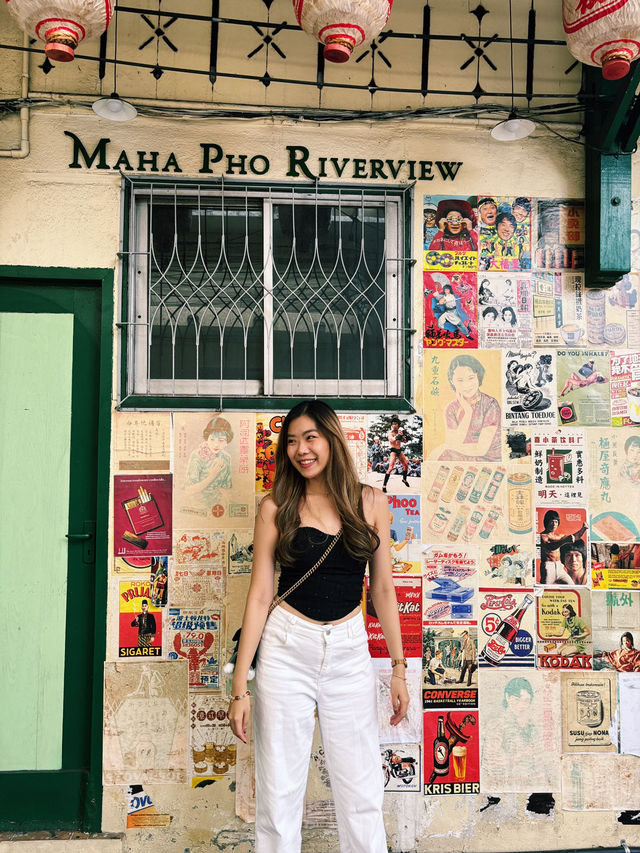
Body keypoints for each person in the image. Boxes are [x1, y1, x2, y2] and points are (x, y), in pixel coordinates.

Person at [227, 400, 409, 853]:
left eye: (310, 438)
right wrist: (239, 688)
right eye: (291, 441)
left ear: (331, 440)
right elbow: (260, 595)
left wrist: (399, 669)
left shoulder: (372, 501)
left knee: (361, 789)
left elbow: (383, 589)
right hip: (286, 648)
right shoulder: (277, 507)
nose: (301, 450)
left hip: (349, 651)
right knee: (278, 792)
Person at [429, 354, 501, 462]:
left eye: (471, 378)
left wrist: (445, 447)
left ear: (478, 376)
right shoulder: (451, 408)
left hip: (490, 458)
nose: (466, 384)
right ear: (452, 381)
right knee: (438, 457)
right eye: (460, 380)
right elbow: (453, 443)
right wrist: (468, 412)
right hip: (463, 455)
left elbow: (481, 449)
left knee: (442, 454)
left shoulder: (490, 404)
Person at [183, 416, 233, 504]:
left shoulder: (226, 457)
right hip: (197, 504)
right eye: (212, 439)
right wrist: (212, 476)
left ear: (227, 442)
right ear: (207, 438)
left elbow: (226, 488)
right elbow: (188, 490)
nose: (216, 444)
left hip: (218, 502)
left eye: (221, 440)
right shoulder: (197, 456)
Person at [538, 510, 588, 584]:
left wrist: (583, 529)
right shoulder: (542, 536)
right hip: (549, 567)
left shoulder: (558, 536)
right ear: (547, 522)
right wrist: (564, 541)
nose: (554, 524)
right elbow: (550, 547)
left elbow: (575, 537)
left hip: (559, 566)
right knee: (545, 588)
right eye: (552, 522)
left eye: (556, 522)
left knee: (572, 586)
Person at [383, 418, 410, 493]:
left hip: (399, 450)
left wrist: (405, 438)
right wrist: (398, 436)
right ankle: (384, 485)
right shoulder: (390, 433)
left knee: (406, 465)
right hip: (393, 450)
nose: (394, 425)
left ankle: (404, 479)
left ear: (398, 425)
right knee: (391, 467)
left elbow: (404, 442)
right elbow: (391, 440)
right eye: (393, 424)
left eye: (395, 424)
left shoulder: (400, 432)